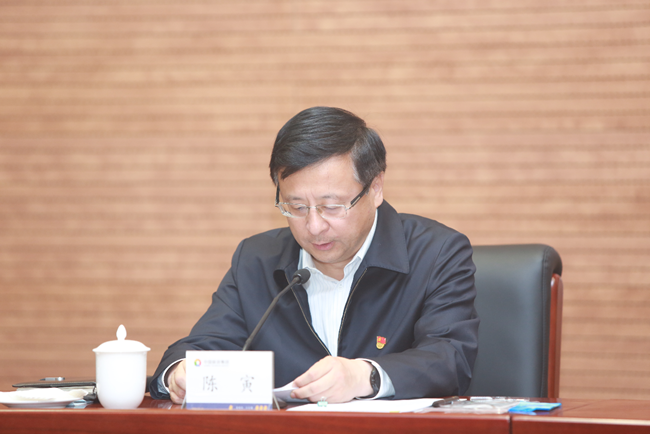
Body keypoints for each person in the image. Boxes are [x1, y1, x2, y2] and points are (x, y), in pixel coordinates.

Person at [149, 106, 479, 404]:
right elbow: (200, 346)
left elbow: (449, 357)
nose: (314, 226)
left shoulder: (436, 252)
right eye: (296, 207)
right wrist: (179, 374)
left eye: (331, 206)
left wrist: (364, 375)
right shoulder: (257, 259)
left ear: (375, 188)